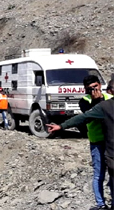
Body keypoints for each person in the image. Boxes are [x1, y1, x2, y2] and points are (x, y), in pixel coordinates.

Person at [46, 94, 114, 210]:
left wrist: (61, 126)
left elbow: (84, 117)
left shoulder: (106, 106)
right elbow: (84, 116)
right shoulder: (103, 105)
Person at [75, 75, 112, 210]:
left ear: (100, 85)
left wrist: (101, 99)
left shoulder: (109, 98)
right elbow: (92, 114)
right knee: (99, 174)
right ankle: (100, 203)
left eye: (95, 87)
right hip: (97, 140)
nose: (93, 90)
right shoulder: (84, 101)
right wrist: (96, 101)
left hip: (110, 141)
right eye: (89, 88)